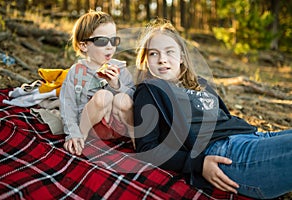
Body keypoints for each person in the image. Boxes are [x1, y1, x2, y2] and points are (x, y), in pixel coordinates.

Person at [133, 18, 292, 199]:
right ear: (145, 60)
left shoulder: (201, 84)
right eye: (153, 54)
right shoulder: (150, 90)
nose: (162, 59)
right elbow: (147, 149)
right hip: (225, 153)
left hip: (254, 136)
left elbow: (225, 118)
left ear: (182, 57)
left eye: (169, 52)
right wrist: (198, 164)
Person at [60, 9, 135, 156]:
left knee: (123, 98)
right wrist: (72, 133)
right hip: (92, 126)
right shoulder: (77, 72)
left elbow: (134, 98)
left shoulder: (119, 68)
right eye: (102, 41)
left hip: (119, 127)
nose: (110, 46)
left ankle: (137, 140)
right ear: (84, 46)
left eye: (114, 40)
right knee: (103, 96)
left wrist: (117, 85)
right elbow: (67, 105)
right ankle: (80, 138)